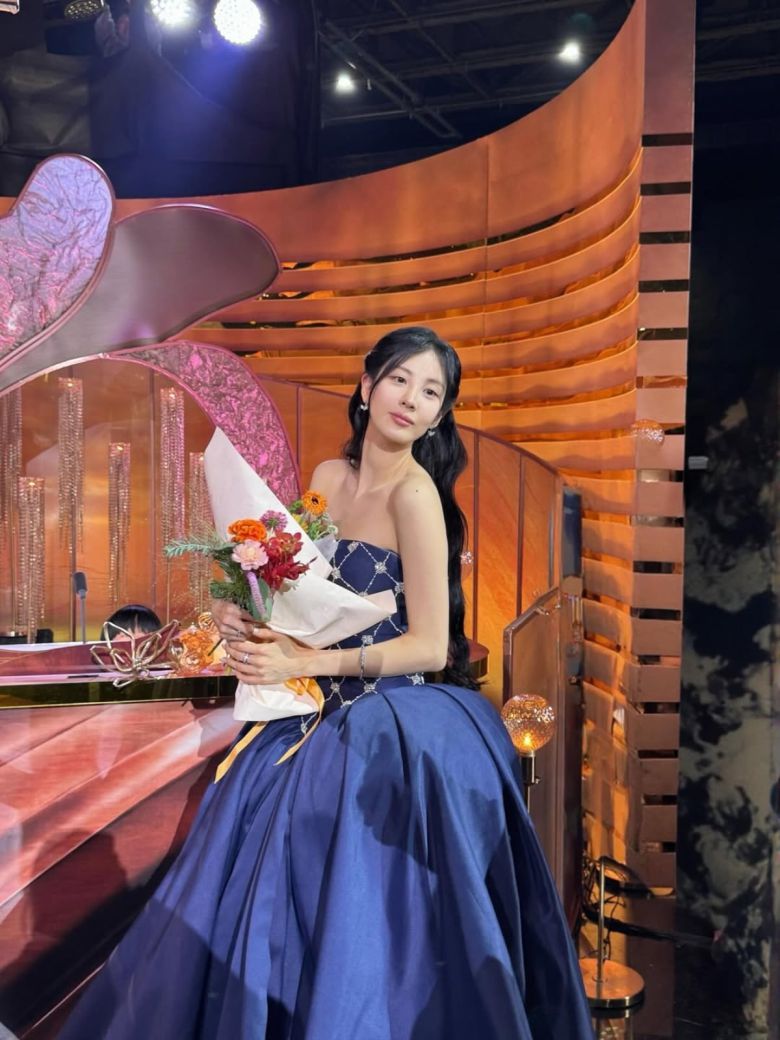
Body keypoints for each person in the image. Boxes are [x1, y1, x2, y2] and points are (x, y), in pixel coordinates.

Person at [58, 328, 593, 1038]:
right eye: (400, 379)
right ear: (367, 386)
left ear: (439, 416)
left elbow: (429, 646)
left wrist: (302, 663)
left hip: (383, 717)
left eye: (431, 392)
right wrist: (240, 605)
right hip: (309, 708)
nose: (411, 399)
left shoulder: (416, 497)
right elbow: (300, 594)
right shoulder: (328, 478)